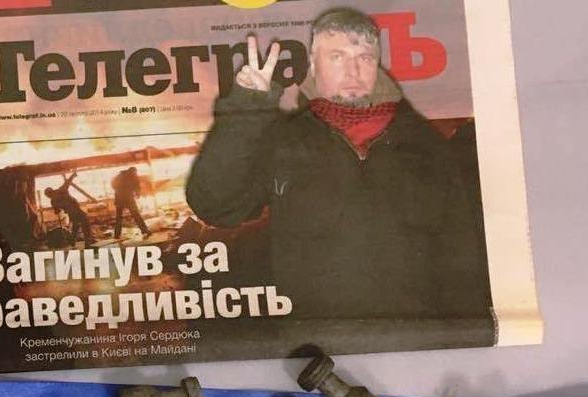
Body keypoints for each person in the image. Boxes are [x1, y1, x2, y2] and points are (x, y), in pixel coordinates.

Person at [186, 8, 491, 325]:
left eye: (364, 58)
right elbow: (215, 205)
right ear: (313, 64)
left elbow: (462, 256)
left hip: (415, 338)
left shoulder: (425, 145)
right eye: (337, 57)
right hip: (317, 341)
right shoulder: (286, 141)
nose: (353, 71)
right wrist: (247, 109)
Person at [44, 172, 93, 246]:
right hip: (75, 210)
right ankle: (88, 241)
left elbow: (57, 211)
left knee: (75, 225)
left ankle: (72, 241)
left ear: (48, 194)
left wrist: (57, 210)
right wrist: (73, 175)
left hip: (71, 213)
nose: (48, 197)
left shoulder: (53, 201)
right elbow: (68, 182)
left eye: (47, 196)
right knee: (85, 222)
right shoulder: (61, 190)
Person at [112, 166, 150, 239]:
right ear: (134, 171)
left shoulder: (119, 176)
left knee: (119, 217)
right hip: (129, 199)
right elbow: (137, 186)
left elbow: (113, 185)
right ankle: (145, 230)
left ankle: (117, 234)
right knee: (136, 215)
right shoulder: (133, 176)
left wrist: (119, 192)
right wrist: (137, 194)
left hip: (119, 199)